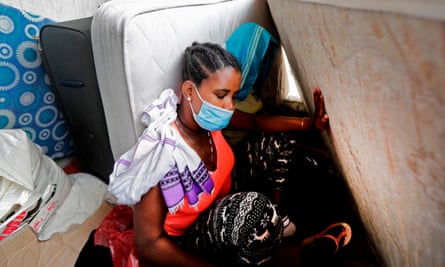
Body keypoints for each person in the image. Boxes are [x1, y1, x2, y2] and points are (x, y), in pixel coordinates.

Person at [76, 41, 351, 267]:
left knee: (276, 142)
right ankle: (276, 242)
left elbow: (256, 123)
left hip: (226, 199)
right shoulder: (161, 155)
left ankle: (275, 231)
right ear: (189, 91)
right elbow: (149, 245)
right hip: (192, 235)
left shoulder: (210, 121)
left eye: (233, 95)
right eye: (222, 95)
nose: (230, 105)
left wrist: (308, 123)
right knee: (252, 211)